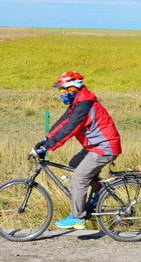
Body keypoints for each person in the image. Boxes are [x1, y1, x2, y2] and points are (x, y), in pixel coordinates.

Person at [32, 71, 121, 229]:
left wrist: (48, 146)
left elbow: (70, 128)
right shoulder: (78, 103)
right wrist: (47, 139)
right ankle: (98, 187)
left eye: (62, 90)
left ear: (72, 89)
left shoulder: (83, 105)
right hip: (96, 145)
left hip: (105, 146)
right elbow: (64, 121)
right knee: (74, 162)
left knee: (79, 177)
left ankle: (77, 217)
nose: (61, 94)